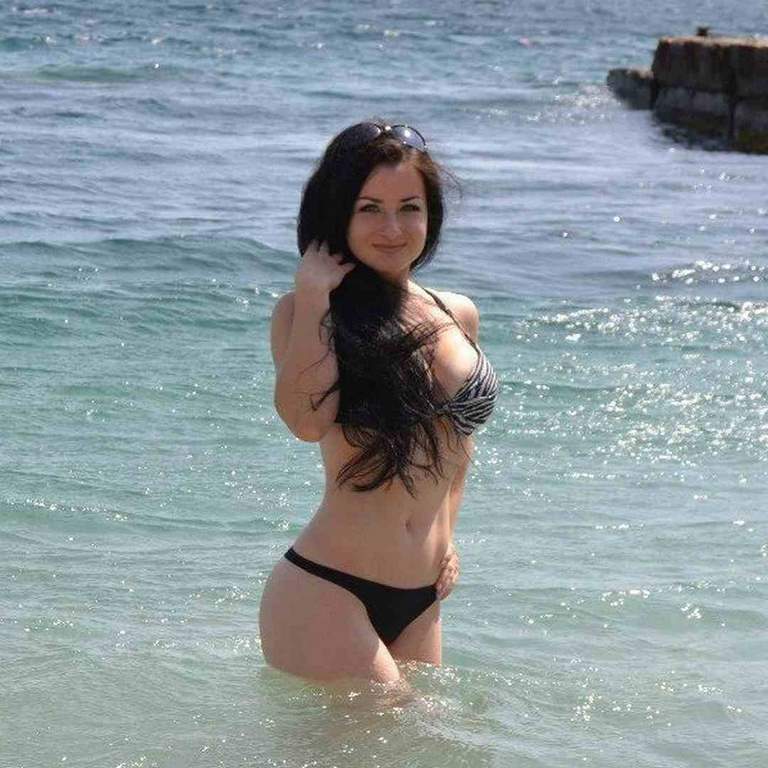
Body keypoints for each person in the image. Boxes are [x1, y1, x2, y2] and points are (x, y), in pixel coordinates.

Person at [259, 121, 499, 685]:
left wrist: (448, 537)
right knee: (395, 723)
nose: (392, 229)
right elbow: (306, 421)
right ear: (337, 215)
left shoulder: (456, 312)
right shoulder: (306, 312)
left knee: (421, 735)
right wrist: (315, 296)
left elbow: (459, 445)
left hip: (421, 597)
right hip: (327, 589)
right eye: (369, 209)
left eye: (409, 208)